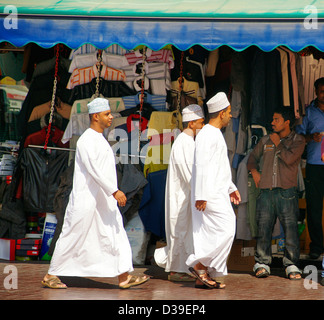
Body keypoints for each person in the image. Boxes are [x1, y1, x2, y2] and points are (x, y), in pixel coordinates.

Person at [42, 98, 149, 289]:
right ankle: (51, 275)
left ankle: (124, 277)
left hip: (102, 201)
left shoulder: (99, 139)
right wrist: (114, 191)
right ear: (95, 116)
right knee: (72, 234)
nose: (110, 117)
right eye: (107, 114)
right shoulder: (87, 140)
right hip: (86, 200)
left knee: (115, 234)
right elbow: (94, 169)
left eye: (110, 114)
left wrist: (111, 193)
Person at [186, 92, 241, 289]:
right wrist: (201, 195)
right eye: (228, 112)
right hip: (208, 195)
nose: (231, 116)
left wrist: (231, 188)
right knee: (226, 229)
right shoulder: (207, 134)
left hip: (216, 192)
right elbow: (200, 165)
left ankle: (202, 273)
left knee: (215, 232)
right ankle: (199, 265)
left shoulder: (214, 134)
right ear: (221, 113)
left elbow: (220, 167)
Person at [247, 106, 306, 280]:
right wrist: (255, 172)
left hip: (287, 193)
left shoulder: (298, 140)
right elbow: (251, 159)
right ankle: (262, 263)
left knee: (290, 230)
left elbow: (289, 159)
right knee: (264, 228)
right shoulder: (265, 140)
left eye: (276, 119)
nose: (272, 123)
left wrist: (278, 143)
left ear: (287, 122)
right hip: (265, 193)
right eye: (272, 119)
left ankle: (292, 265)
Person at [154, 104, 205, 282]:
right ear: (191, 124)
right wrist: (201, 194)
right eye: (200, 122)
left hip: (185, 197)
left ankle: (183, 269)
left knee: (184, 232)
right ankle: (177, 271)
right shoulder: (184, 142)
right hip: (182, 198)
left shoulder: (187, 142)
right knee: (181, 231)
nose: (202, 126)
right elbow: (189, 174)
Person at [296, 77, 324, 260]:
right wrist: (310, 137)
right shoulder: (308, 112)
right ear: (315, 92)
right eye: (322, 91)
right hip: (315, 166)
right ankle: (316, 246)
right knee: (314, 208)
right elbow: (298, 138)